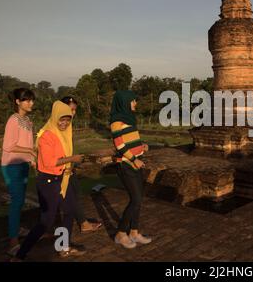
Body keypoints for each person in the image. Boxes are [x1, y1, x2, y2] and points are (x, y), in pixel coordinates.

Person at [12, 101, 85, 260]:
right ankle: (20, 255)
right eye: (61, 119)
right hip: (49, 182)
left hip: (62, 179)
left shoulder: (65, 133)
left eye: (67, 119)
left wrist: (70, 166)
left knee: (69, 212)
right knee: (46, 221)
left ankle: (63, 247)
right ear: (54, 117)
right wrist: (72, 159)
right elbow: (50, 162)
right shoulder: (47, 135)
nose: (64, 123)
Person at [110, 90, 151, 249]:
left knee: (139, 199)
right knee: (136, 199)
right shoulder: (116, 121)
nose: (135, 103)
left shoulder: (129, 118)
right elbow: (119, 145)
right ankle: (120, 233)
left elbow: (130, 140)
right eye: (133, 101)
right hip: (126, 164)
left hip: (136, 162)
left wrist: (142, 147)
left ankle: (134, 232)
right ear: (124, 102)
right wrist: (134, 160)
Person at [1, 88, 36, 256]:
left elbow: (30, 144)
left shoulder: (28, 120)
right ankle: (12, 242)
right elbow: (8, 146)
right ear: (17, 102)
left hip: (22, 164)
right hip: (11, 165)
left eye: (31, 100)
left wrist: (32, 158)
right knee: (17, 201)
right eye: (27, 100)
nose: (31, 103)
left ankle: (16, 228)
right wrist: (31, 152)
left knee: (20, 201)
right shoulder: (13, 120)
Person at [60, 96, 102, 233]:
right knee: (69, 196)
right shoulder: (60, 125)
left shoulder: (68, 124)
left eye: (75, 110)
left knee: (76, 193)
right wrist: (68, 162)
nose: (73, 113)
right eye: (71, 109)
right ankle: (82, 223)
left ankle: (81, 219)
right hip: (62, 166)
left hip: (69, 164)